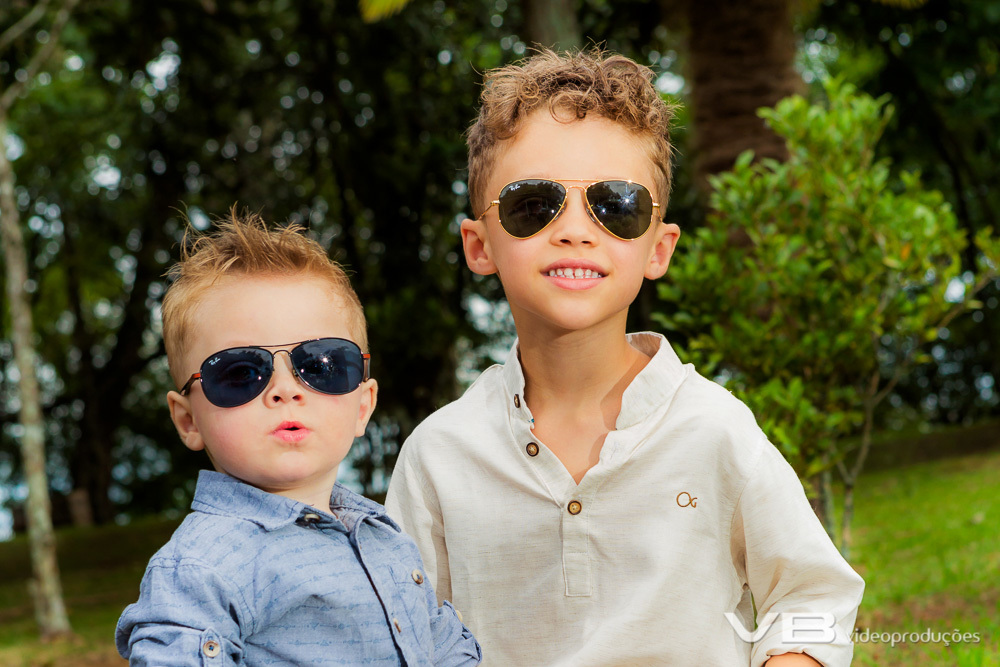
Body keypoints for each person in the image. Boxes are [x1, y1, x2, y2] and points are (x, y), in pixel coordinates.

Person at [385, 49, 864, 666]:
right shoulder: (439, 455)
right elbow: (401, 638)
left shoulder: (714, 429)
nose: (576, 229)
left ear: (658, 249)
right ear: (479, 246)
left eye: (617, 205)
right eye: (534, 204)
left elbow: (814, 596)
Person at [116, 212, 481, 666]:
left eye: (321, 365)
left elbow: (445, 649)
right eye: (241, 373)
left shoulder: (386, 538)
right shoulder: (200, 569)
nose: (285, 389)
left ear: (362, 406)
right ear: (189, 420)